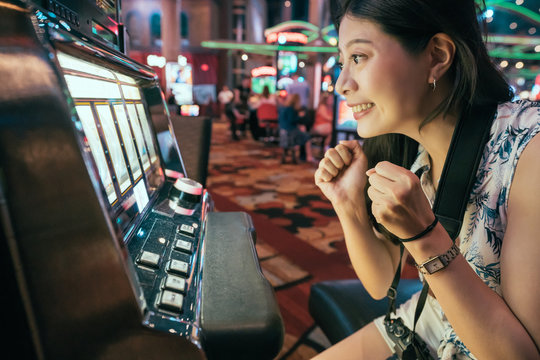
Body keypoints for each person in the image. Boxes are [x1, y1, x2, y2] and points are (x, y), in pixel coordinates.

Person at [313, 0, 540, 359]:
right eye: (342, 62)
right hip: (432, 320)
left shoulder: (528, 148)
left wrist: (424, 238)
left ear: (436, 56)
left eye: (358, 57)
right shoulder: (409, 150)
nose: (341, 84)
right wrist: (348, 203)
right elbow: (379, 283)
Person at [279, 93, 315, 164]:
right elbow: (292, 120)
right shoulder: (291, 109)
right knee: (307, 137)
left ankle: (301, 155)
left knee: (302, 131)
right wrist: (300, 116)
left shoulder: (284, 108)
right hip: (290, 132)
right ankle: (308, 156)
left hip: (282, 132)